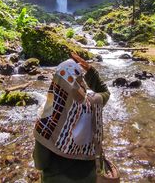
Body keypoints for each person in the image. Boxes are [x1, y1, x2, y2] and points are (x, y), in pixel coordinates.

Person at [33, 53, 110, 182]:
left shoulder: (47, 116)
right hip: (90, 178)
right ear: (80, 82)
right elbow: (105, 92)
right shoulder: (94, 103)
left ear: (55, 83)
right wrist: (90, 70)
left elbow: (40, 164)